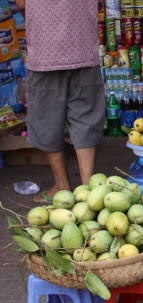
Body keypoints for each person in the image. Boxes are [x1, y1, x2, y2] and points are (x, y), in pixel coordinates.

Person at [17, 0, 105, 202]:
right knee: (86, 118)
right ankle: (88, 188)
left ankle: (62, 184)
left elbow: (21, 4)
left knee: (47, 121)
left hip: (45, 54)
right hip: (82, 49)